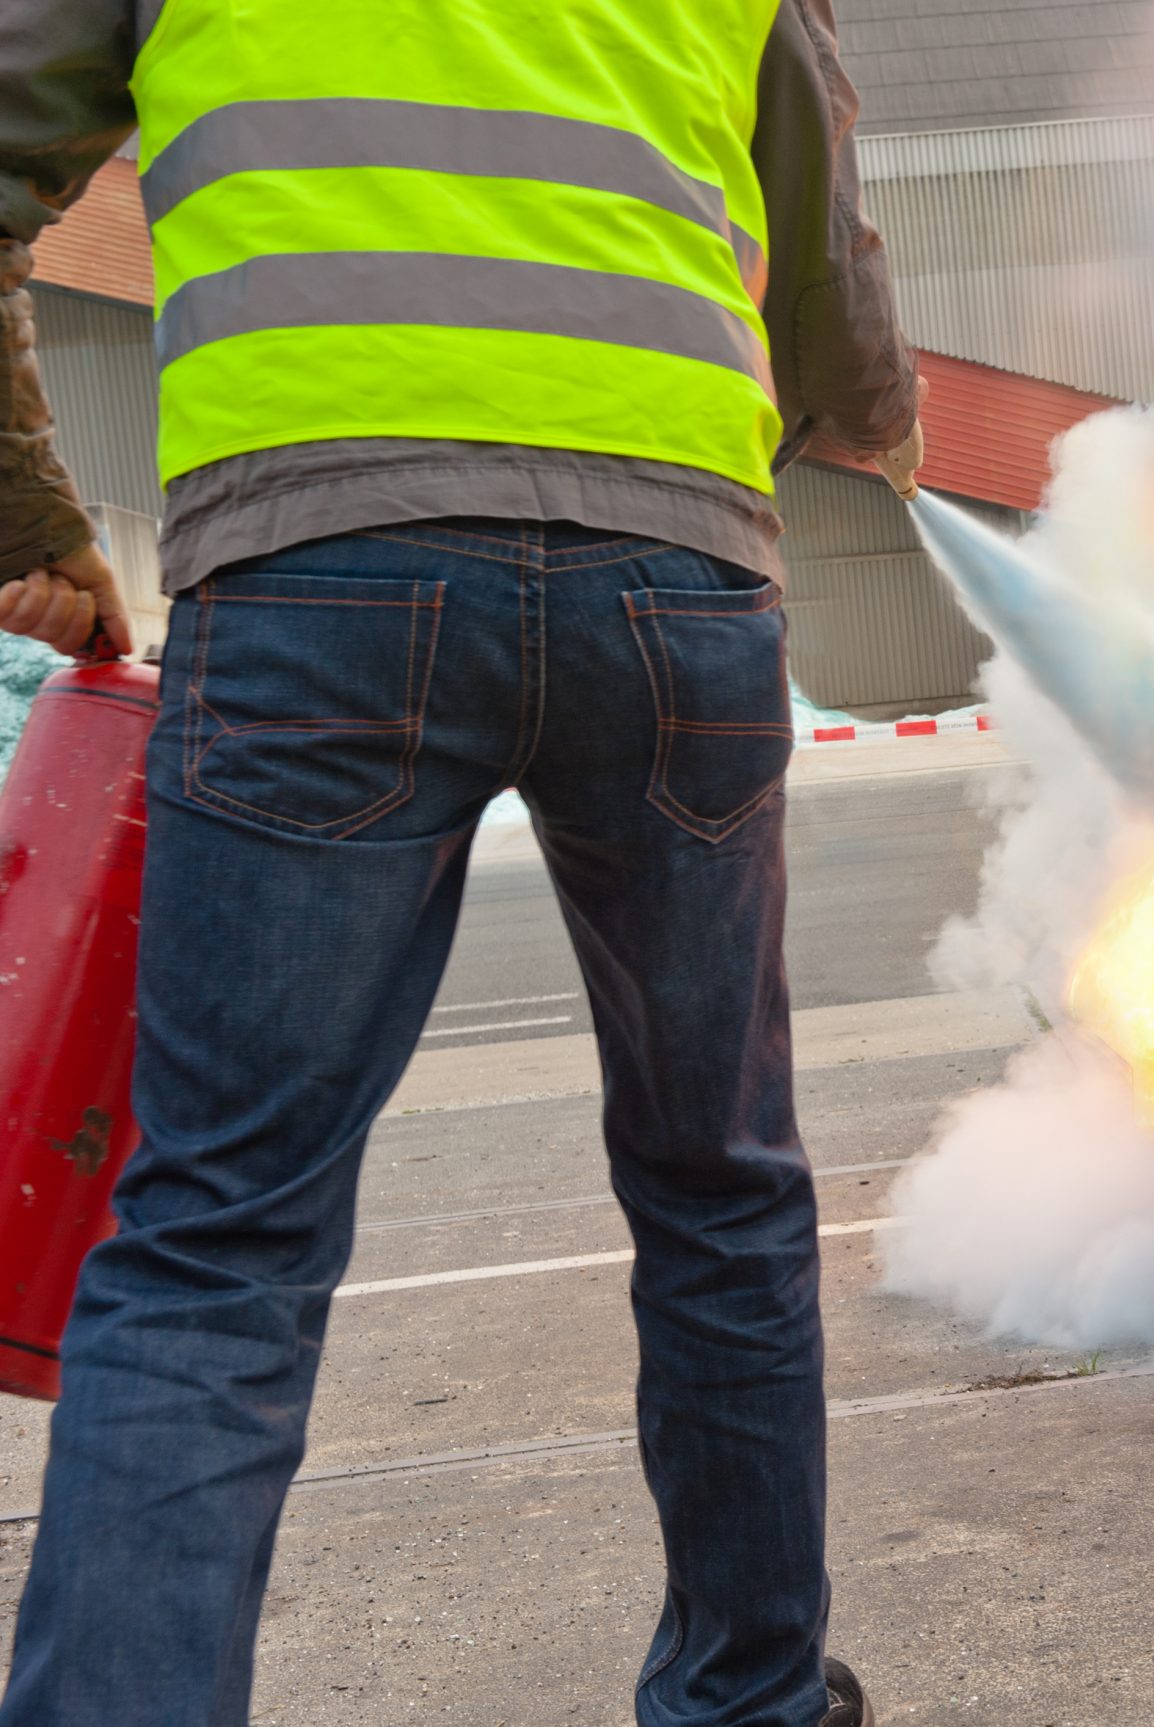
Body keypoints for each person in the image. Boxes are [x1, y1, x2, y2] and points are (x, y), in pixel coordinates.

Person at [0, 2, 926, 1722]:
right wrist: (842, 428)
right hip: (672, 576)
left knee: (220, 1243)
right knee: (720, 1185)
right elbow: (828, 275)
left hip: (315, 568)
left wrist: (22, 517)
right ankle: (750, 1697)